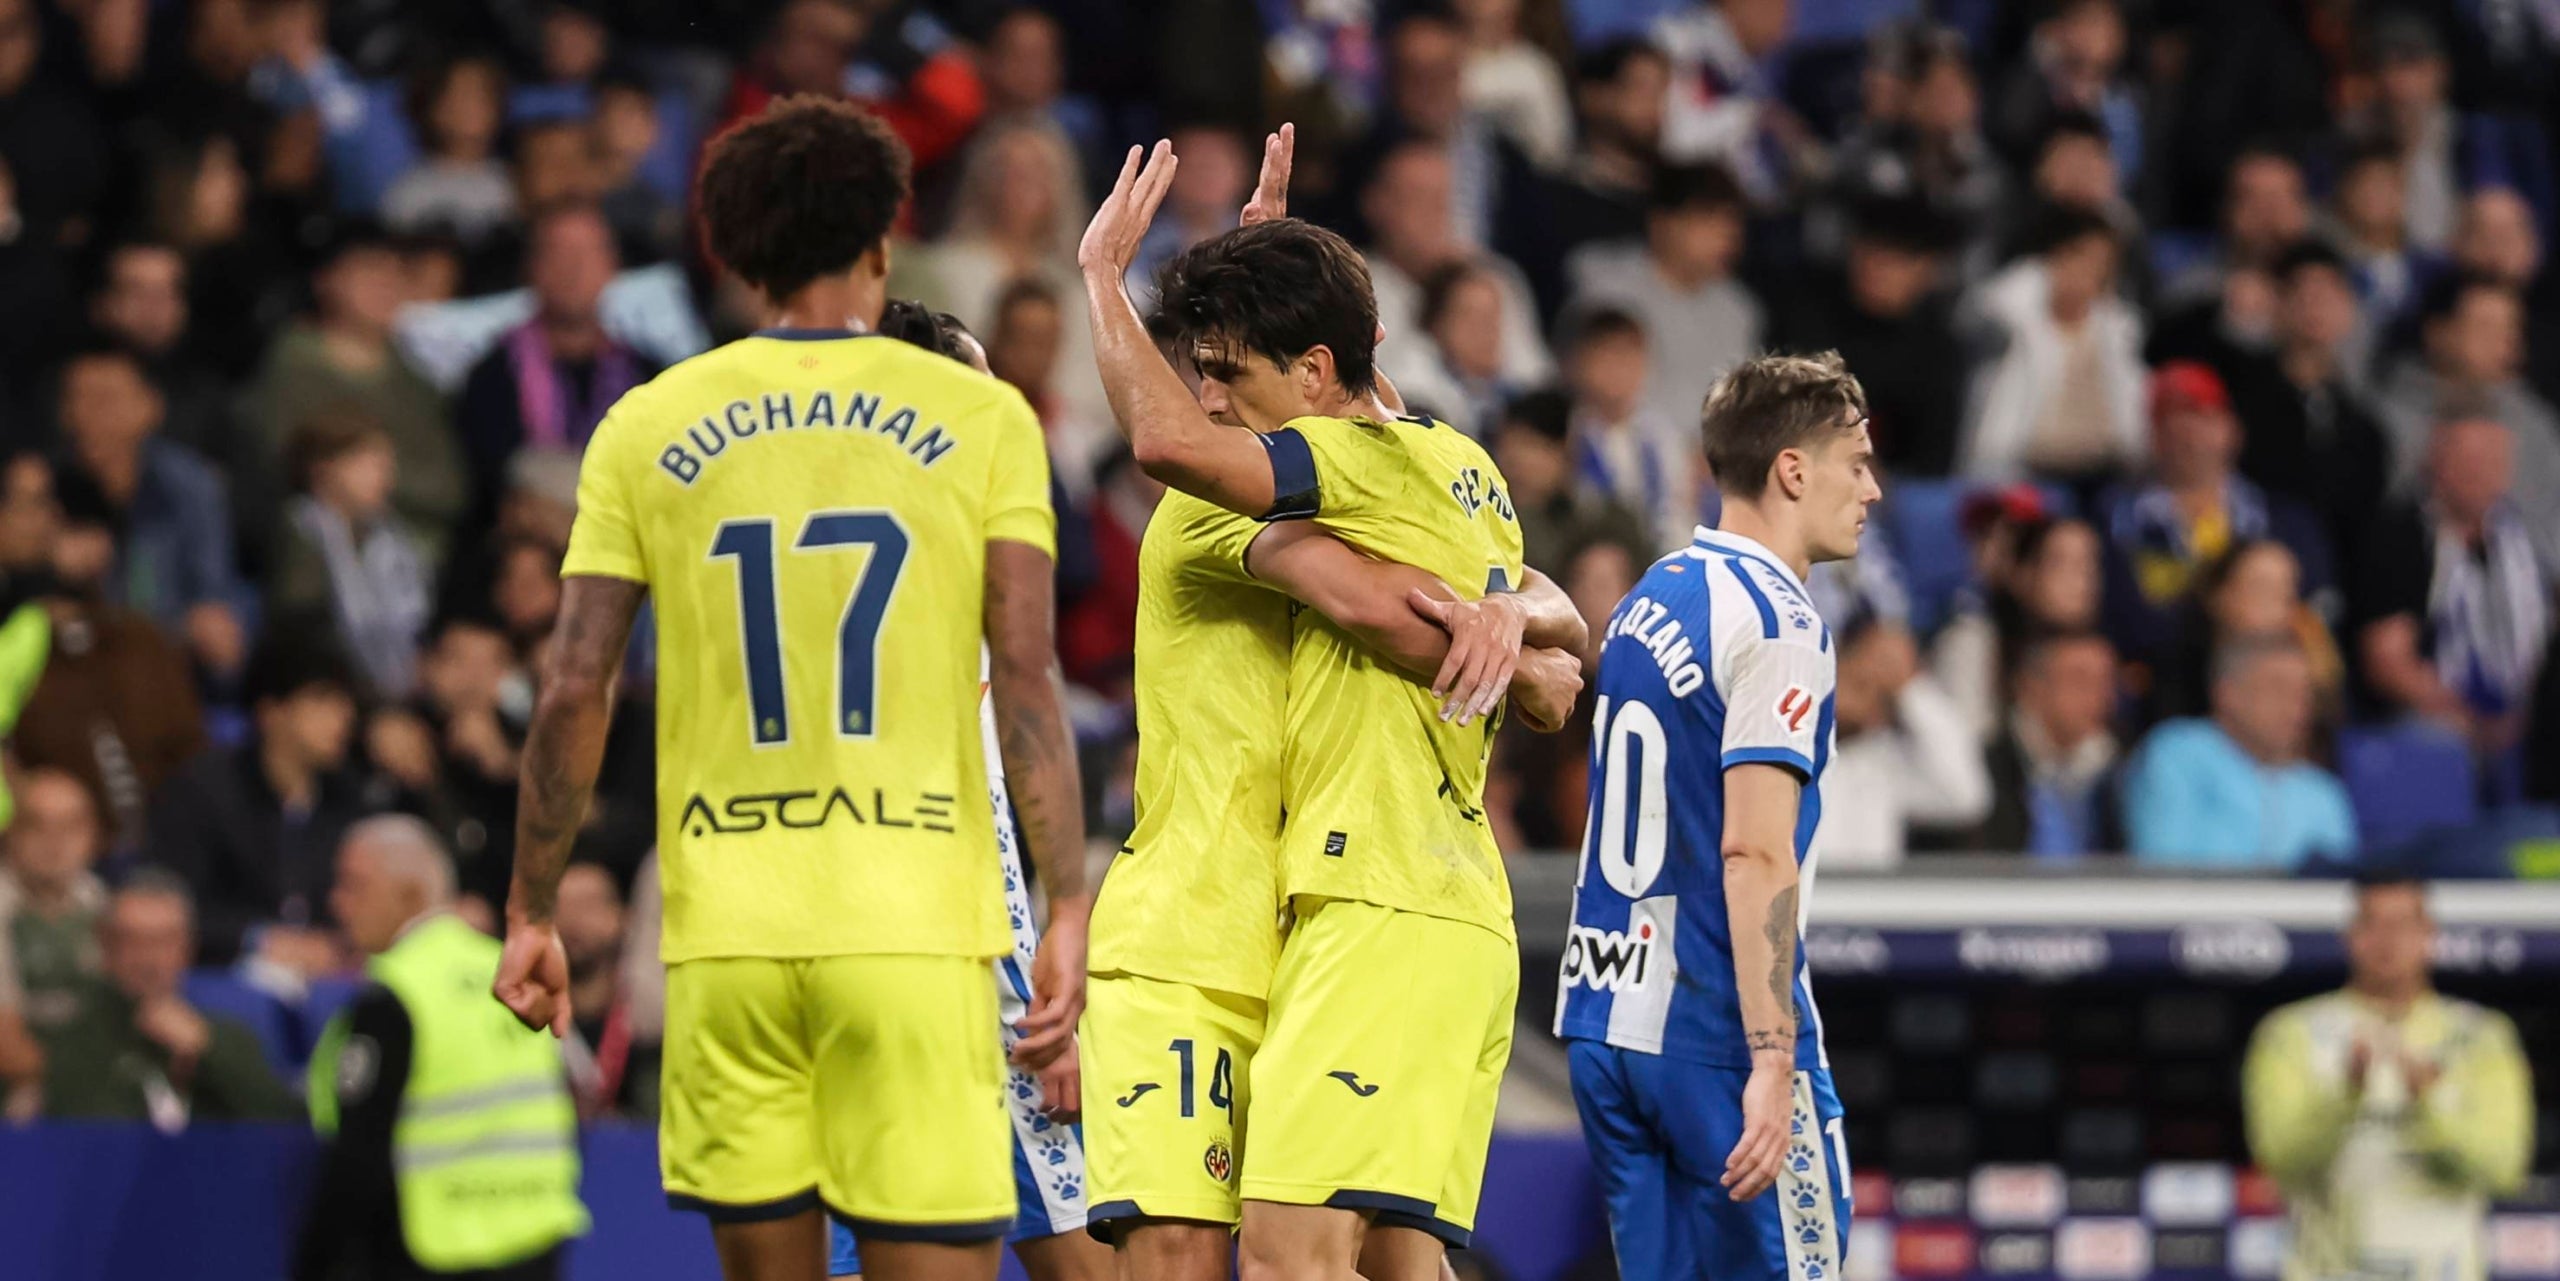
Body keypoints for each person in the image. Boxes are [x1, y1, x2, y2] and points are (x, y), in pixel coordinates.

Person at [493, 97, 1091, 1281]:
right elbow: (1024, 680)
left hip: (730, 937)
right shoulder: (980, 415)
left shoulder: (644, 424)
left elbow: (573, 689)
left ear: (730, 250)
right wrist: (1066, 905)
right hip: (916, 933)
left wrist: (530, 908)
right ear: (884, 240)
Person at [1077, 134, 1586, 1281]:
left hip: (1349, 908)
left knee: (1297, 1260)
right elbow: (1550, 670)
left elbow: (1213, 454)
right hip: (1199, 929)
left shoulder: (1307, 467)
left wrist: (1101, 278)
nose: (1206, 402)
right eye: (1197, 367)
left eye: (1226, 372)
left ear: (1315, 375)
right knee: (1337, 1258)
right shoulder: (1394, 468)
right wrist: (1523, 623)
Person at [1557, 352, 1881, 1280]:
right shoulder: (1779, 623)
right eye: (1855, 461)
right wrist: (1772, 1057)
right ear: (1792, 469)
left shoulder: (1649, 593)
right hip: (1712, 1030)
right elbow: (1753, 849)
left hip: (1604, 1020)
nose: (1874, 488)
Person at [823, 299, 1112, 1281]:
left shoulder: (805, 549)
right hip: (945, 975)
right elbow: (960, 828)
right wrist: (1039, 1003)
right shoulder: (954, 567)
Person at [300, 816, 587, 1281]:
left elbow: (358, 1155)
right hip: (534, 1238)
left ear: (410, 894)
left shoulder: (399, 991)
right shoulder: (510, 971)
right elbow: (567, 1106)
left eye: (355, 885)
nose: (338, 902)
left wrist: (313, 1262)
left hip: (430, 1249)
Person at [2243, 876, 2533, 1281]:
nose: (2388, 941)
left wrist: (2428, 1099)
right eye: (2372, 924)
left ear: (2429, 934)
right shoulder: (2292, 1032)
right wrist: (2348, 1095)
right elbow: (2280, 1161)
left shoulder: (2481, 1035)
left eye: (2403, 925)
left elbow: (2502, 1170)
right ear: (2350, 936)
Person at [146, 634, 371, 971]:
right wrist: (263, 939)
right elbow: (173, 903)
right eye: (323, 700)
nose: (344, 717)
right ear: (271, 712)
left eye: (344, 701)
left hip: (332, 971)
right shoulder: (203, 790)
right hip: (229, 972)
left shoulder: (348, 796)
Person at [2096, 361, 2335, 666]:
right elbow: (2115, 616)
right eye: (2173, 420)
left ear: (2233, 430)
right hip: (2160, 681)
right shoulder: (2116, 518)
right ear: (2154, 437)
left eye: (2204, 418)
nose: (2192, 437)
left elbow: (2315, 613)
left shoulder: (2284, 520)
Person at [2351, 415, 2551, 761]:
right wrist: (2473, 720)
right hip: (2430, 715)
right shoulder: (2401, 533)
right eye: (2468, 462)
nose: (2481, 474)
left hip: (2518, 714)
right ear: (2436, 464)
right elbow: (2387, 663)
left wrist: (2525, 714)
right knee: (2436, 738)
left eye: (2493, 462)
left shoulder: (2520, 538)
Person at [37, 871, 298, 1125]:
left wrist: (207, 1052)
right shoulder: (68, 1040)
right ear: (105, 946)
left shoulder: (228, 1039)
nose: (149, 960)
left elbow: (288, 1126)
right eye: (133, 941)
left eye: (164, 941)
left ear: (188, 948)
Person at [456, 204, 658, 509]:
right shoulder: (493, 377)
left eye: (588, 253)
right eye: (558, 253)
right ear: (531, 267)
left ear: (612, 266)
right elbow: (496, 487)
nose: (574, 269)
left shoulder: (651, 377)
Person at [2121, 634, 2357, 869]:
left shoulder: (2322, 791)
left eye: (2305, 692)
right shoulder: (2177, 754)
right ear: (2227, 693)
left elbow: (2341, 883)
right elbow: (2163, 867)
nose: (2297, 705)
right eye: (2279, 688)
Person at [1566, 162, 1762, 440]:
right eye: (1709, 220)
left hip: (1709, 464)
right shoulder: (1605, 286)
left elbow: (1740, 408)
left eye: (1732, 223)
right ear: (1661, 223)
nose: (1727, 237)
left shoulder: (1738, 309)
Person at [1957, 202, 2146, 484]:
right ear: (2054, 257)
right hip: (2026, 470)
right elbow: (1974, 314)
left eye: (2104, 263)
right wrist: (2032, 280)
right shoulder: (2011, 318)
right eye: (2081, 257)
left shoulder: (2119, 328)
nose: (2091, 272)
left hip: (2107, 471)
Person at [270, 414, 436, 700]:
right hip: (326, 692)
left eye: (387, 466)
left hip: (393, 693)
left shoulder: (392, 541)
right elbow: (305, 635)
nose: (387, 479)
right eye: (370, 465)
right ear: (322, 469)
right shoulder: (299, 535)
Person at [1808, 616, 1991, 870]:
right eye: (1855, 681)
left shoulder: (1885, 761)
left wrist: (1909, 685)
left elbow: (1965, 796)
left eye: (1877, 689)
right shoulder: (1784, 748)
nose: (1861, 697)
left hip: (1874, 906)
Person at [1968, 630, 2123, 857]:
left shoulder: (2118, 770)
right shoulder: (1983, 768)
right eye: (2081, 680)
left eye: (2107, 681)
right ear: (2030, 686)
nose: (2102, 697)